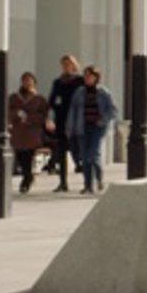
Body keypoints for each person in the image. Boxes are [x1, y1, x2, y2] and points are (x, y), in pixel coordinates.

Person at [67, 65, 117, 194]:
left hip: (97, 128)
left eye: (90, 76)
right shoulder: (79, 92)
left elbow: (112, 110)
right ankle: (87, 185)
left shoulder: (103, 92)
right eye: (85, 75)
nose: (87, 78)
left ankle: (99, 179)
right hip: (82, 127)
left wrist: (102, 120)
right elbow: (73, 110)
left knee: (93, 155)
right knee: (84, 157)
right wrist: (70, 128)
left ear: (96, 77)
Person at [45, 55, 83, 193]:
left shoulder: (80, 81)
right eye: (64, 64)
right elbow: (52, 100)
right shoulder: (58, 82)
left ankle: (89, 179)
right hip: (61, 118)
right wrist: (49, 116)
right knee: (61, 151)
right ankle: (63, 182)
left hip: (77, 119)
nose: (66, 66)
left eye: (69, 64)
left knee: (78, 149)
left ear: (74, 65)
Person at [9, 72, 48, 195]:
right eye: (24, 80)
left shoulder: (39, 99)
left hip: (32, 132)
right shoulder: (14, 97)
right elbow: (7, 111)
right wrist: (17, 114)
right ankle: (27, 176)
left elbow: (44, 116)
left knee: (28, 155)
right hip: (18, 131)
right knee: (20, 155)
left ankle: (26, 179)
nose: (27, 83)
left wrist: (30, 118)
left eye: (29, 80)